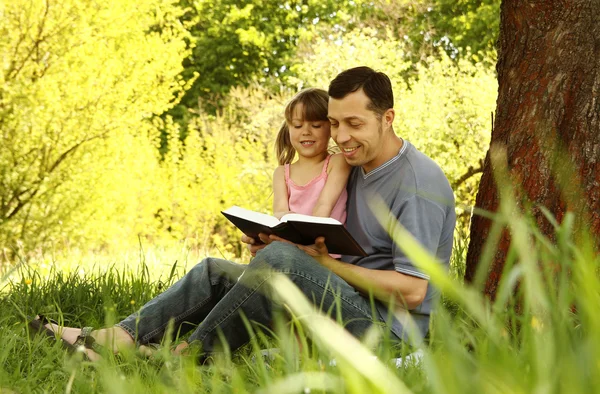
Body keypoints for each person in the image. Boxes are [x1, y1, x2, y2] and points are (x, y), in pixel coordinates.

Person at [29, 66, 456, 361]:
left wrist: (318, 262)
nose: (341, 137)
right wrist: (286, 238)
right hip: (347, 300)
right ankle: (118, 336)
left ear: (388, 118)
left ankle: (185, 358)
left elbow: (414, 292)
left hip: (391, 333)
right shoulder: (358, 164)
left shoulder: (416, 183)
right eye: (335, 123)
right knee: (216, 269)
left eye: (354, 124)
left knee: (281, 262)